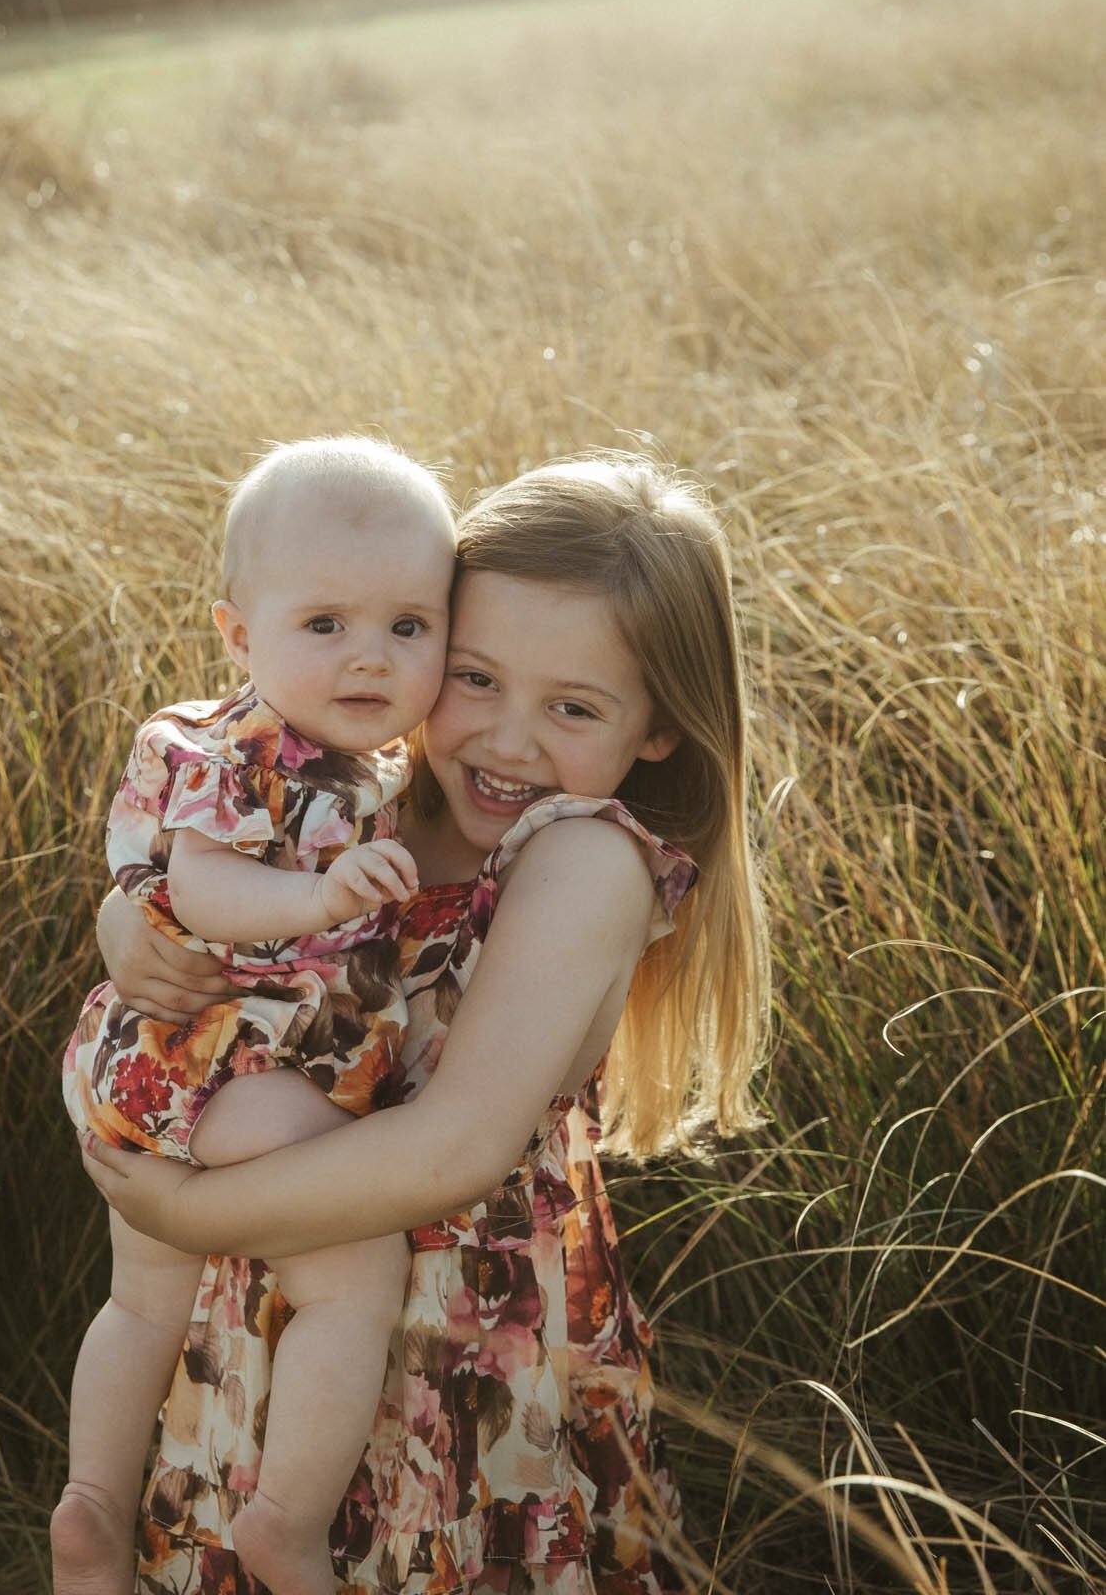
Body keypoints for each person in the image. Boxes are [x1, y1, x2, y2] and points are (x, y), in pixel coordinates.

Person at [79, 450, 770, 1595]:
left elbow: (457, 1143)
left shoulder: (584, 862)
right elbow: (191, 890)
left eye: (575, 705)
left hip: (458, 1341)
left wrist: (190, 1208)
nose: (507, 739)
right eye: (476, 675)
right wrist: (128, 926)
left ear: (657, 728)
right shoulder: (366, 791)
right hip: (286, 1301)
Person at [55, 437, 458, 1595]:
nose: (368, 656)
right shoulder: (245, 746)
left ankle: (90, 1505)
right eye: (324, 623)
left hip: (155, 1076)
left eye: (407, 626)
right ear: (241, 634)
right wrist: (317, 898)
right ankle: (287, 1518)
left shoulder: (349, 754)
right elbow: (197, 885)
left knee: (143, 1299)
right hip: (223, 1070)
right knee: (359, 1264)